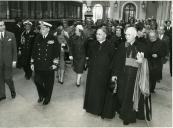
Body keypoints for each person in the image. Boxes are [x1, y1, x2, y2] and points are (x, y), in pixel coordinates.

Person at [111, 27, 151, 125]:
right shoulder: (122, 45)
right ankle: (122, 110)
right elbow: (117, 61)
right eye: (126, 34)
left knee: (130, 97)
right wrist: (115, 74)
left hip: (135, 77)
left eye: (129, 35)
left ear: (134, 35)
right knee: (121, 95)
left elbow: (148, 60)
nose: (126, 37)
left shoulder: (142, 46)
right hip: (122, 75)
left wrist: (142, 61)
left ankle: (128, 117)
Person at [83, 27, 115, 117]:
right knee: (92, 90)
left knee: (100, 92)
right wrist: (89, 63)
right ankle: (90, 108)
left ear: (105, 35)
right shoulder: (93, 44)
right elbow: (89, 55)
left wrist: (110, 72)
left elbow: (113, 60)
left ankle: (99, 109)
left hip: (104, 73)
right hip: (93, 72)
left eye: (100, 34)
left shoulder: (110, 45)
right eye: (97, 34)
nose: (97, 36)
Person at [31, 21, 60, 105]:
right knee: (37, 81)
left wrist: (55, 64)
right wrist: (32, 63)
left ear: (48, 29)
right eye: (41, 28)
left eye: (43, 28)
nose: (41, 30)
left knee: (49, 83)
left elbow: (56, 51)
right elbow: (34, 51)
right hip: (38, 64)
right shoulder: (37, 37)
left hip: (49, 65)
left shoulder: (53, 38)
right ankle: (42, 94)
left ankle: (47, 98)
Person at [0, 20, 17, 101]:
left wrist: (14, 61)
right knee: (0, 79)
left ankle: (12, 90)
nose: (2, 27)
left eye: (2, 25)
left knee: (8, 78)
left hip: (8, 61)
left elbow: (14, 49)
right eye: (0, 25)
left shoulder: (11, 35)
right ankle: (2, 95)